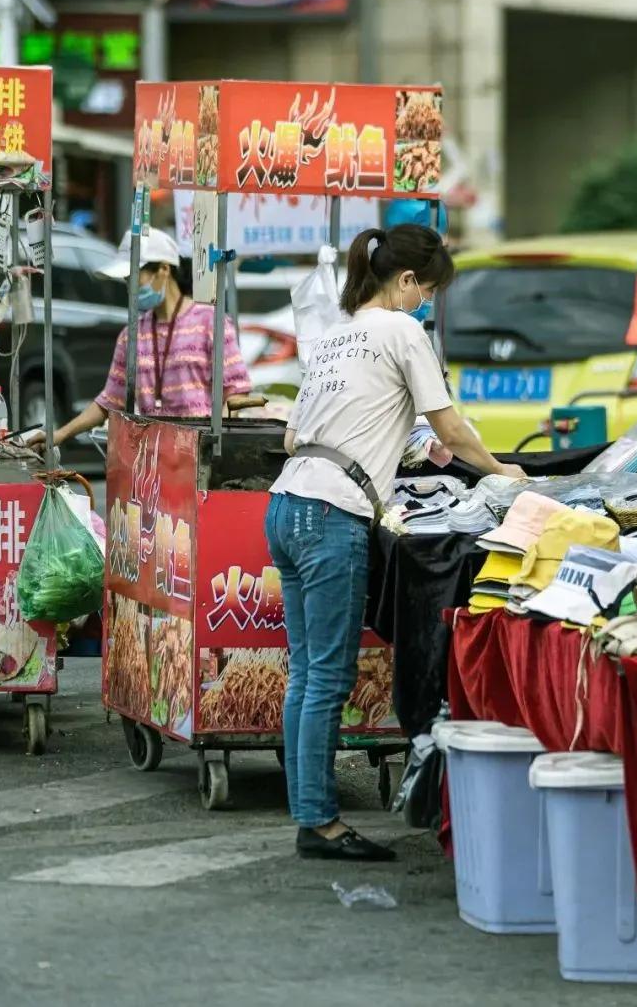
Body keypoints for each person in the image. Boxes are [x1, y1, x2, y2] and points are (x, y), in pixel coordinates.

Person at [268, 223, 525, 863]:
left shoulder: (336, 333)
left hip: (285, 505)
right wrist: (502, 473)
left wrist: (390, 438)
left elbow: (293, 438)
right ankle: (321, 825)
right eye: (427, 290)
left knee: (306, 674)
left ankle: (310, 815)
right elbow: (453, 428)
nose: (426, 304)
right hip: (332, 515)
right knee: (326, 676)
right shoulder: (401, 331)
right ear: (406, 280)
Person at [35, 227, 251, 449]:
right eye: (128, 280)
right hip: (153, 457)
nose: (130, 287)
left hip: (200, 453)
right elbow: (110, 401)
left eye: (135, 278)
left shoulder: (210, 322)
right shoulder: (132, 335)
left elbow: (237, 390)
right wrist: (58, 435)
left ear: (163, 270)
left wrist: (217, 441)